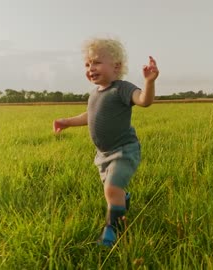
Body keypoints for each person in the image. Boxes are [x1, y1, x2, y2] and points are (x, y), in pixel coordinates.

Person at [53, 37, 159, 247]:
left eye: (96, 62)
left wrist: (149, 82)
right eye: (87, 64)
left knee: (111, 189)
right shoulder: (94, 94)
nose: (91, 68)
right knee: (113, 190)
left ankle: (112, 230)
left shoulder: (122, 88)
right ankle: (123, 199)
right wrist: (67, 122)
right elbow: (89, 116)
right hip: (103, 155)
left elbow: (143, 101)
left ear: (116, 66)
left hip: (124, 150)